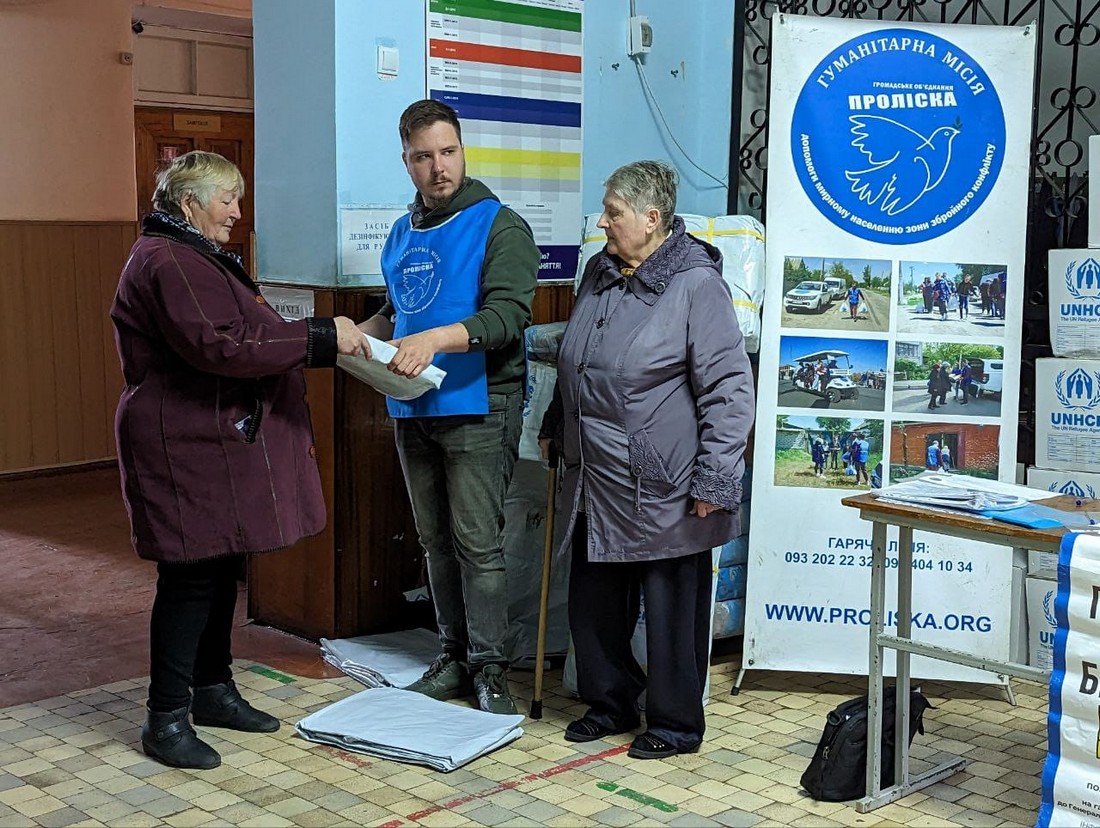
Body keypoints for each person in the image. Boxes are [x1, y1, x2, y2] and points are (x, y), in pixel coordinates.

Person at [111, 151, 365, 770]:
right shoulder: (170, 260)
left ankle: (213, 691)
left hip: (208, 441)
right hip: (183, 443)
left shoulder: (186, 253)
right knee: (190, 576)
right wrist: (322, 337)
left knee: (221, 566)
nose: (237, 211)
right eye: (226, 199)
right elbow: (223, 345)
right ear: (190, 203)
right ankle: (165, 718)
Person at [541, 160, 753, 760]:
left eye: (614, 212)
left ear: (652, 220)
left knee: (670, 612)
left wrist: (717, 476)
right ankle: (609, 703)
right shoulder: (600, 274)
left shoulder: (695, 285)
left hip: (662, 477)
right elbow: (575, 359)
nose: (603, 222)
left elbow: (730, 389)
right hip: (595, 473)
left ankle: (676, 723)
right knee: (595, 601)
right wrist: (559, 423)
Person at [355, 100, 539, 715]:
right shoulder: (403, 231)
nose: (439, 167)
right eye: (423, 156)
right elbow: (398, 310)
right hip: (415, 405)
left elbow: (509, 318)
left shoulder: (499, 225)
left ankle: (491, 670)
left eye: (448, 151)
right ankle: (454, 657)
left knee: (477, 543)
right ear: (406, 162)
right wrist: (359, 334)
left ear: (462, 149)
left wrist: (435, 339)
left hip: (480, 404)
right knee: (435, 543)